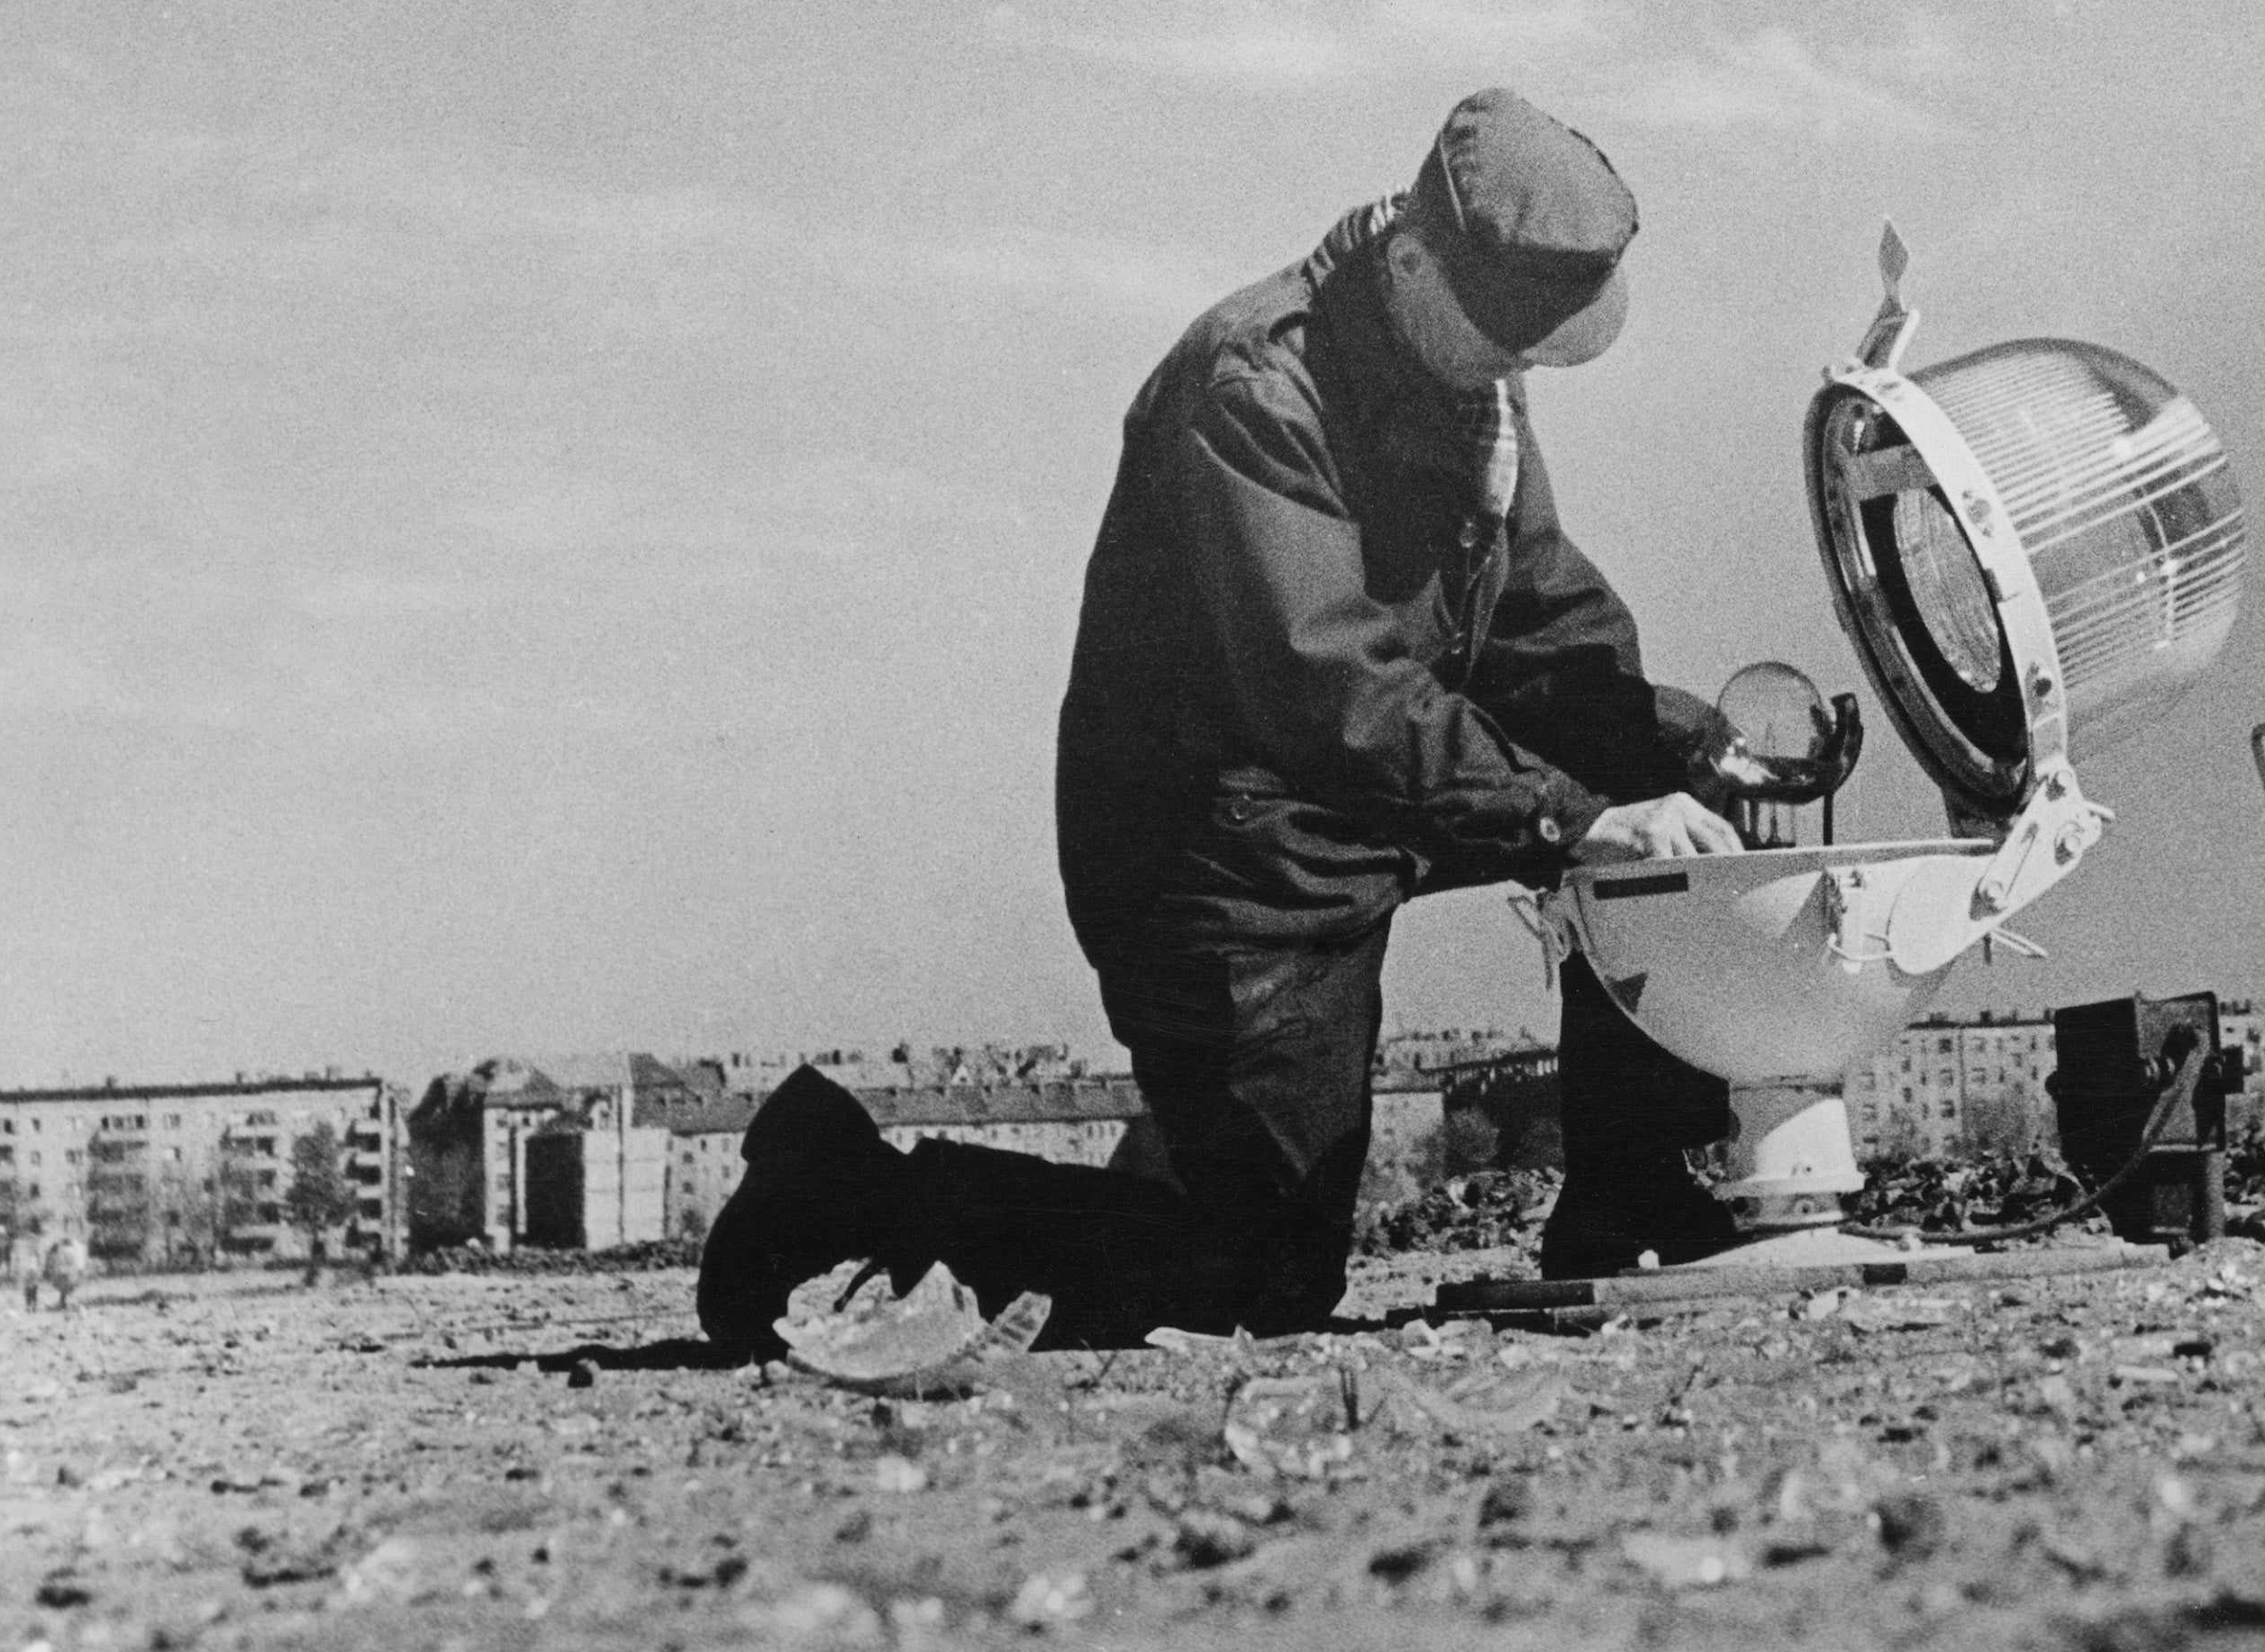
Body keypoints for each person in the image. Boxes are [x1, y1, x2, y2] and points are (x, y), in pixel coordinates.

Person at [701, 88, 1749, 1352]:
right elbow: (1329, 687)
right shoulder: (1249, 383)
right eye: (1505, 338)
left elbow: (1537, 621)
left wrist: (1689, 746)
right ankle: (853, 1186)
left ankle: (1630, 1196)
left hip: (1367, 797)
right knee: (1252, 1282)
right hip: (1224, 858)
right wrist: (1568, 818)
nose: (1522, 369)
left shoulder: (1465, 388)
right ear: (1412, 264)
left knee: (1666, 808)